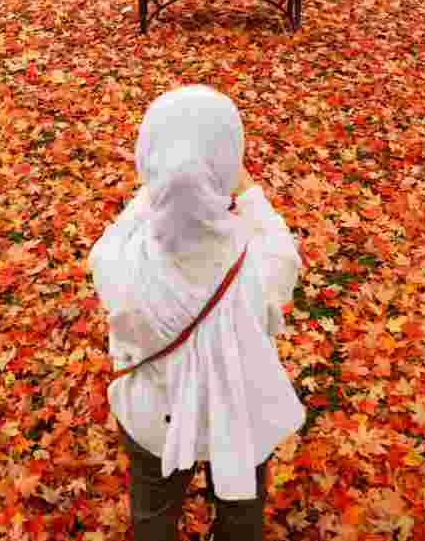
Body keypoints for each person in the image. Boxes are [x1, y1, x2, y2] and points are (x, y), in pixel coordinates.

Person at [88, 84, 306, 541]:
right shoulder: (260, 258)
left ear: (147, 161)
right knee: (242, 507)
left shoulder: (120, 261)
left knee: (152, 510)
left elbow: (110, 240)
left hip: (153, 417)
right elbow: (285, 250)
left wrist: (161, 186)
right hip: (240, 410)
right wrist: (244, 190)